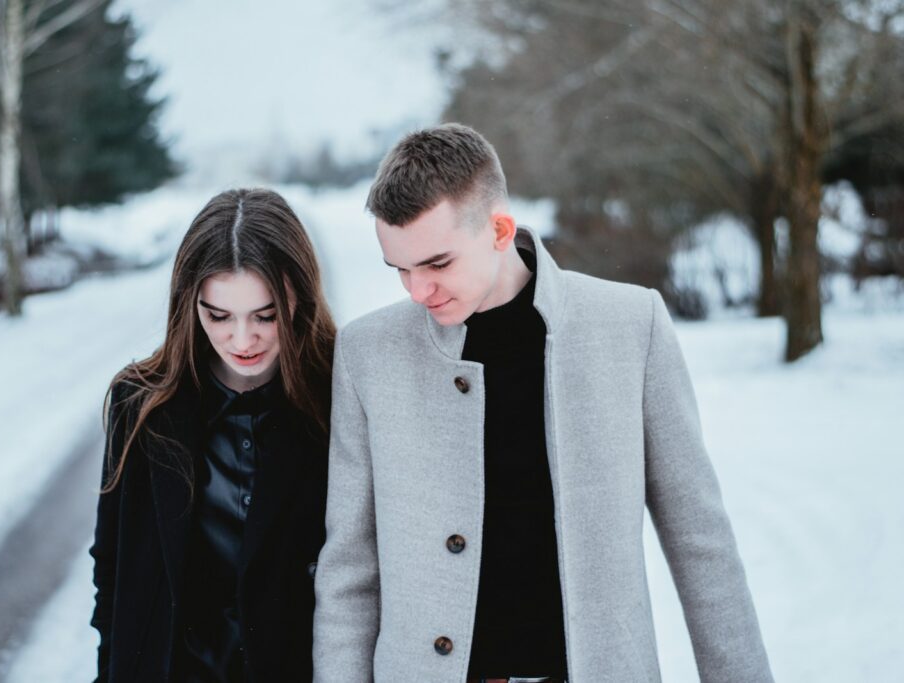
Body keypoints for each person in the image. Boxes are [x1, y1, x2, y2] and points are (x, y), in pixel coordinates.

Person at [312, 124, 773, 683]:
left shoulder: (631, 325)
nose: (417, 291)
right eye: (400, 269)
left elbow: (702, 543)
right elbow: (349, 574)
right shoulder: (368, 352)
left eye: (437, 264)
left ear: (500, 228)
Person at [90, 188, 335, 682]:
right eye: (218, 316)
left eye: (265, 315)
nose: (242, 341)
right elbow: (113, 570)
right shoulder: (139, 403)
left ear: (298, 295)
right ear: (189, 304)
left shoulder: (341, 395)